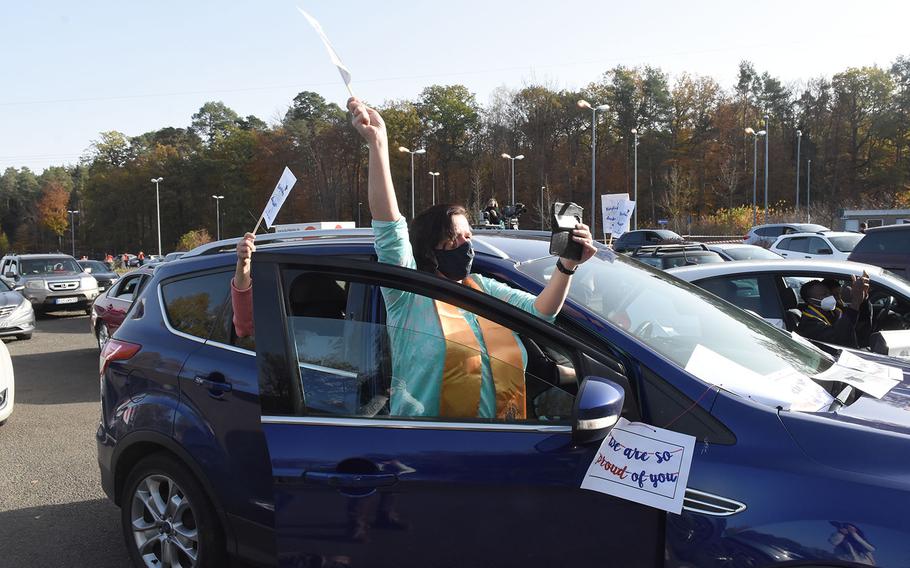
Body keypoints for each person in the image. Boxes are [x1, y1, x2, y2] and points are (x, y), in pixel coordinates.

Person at [347, 96, 596, 420]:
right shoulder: (406, 294)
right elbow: (389, 224)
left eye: (469, 237)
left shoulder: (481, 289)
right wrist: (378, 144)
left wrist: (567, 265)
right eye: (455, 239)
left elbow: (542, 311)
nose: (467, 245)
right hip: (431, 447)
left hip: (504, 441)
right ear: (431, 247)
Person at [797, 275, 870, 348]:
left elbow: (857, 319)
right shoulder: (809, 323)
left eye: (829, 293)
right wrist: (855, 302)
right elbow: (839, 337)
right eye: (824, 295)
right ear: (811, 301)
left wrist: (863, 299)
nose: (829, 296)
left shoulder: (834, 310)